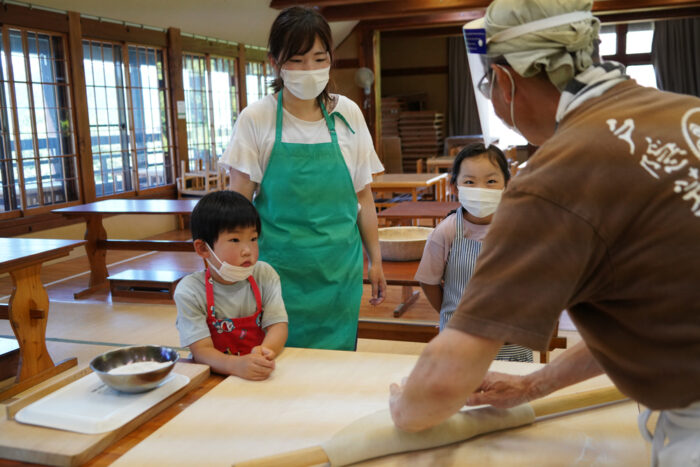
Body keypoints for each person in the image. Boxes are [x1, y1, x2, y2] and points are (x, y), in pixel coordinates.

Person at [388, 1, 700, 464]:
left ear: (507, 82)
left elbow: (445, 379)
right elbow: (654, 317)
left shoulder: (555, 179)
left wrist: (405, 409)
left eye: (489, 83)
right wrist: (533, 384)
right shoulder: (688, 113)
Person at [220, 6, 386, 351]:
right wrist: (229, 268)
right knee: (277, 362)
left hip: (339, 269)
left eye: (317, 58)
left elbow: (363, 198)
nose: (308, 69)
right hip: (277, 271)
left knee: (337, 366)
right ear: (274, 62)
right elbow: (237, 204)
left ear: (330, 59)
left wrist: (377, 260)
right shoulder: (257, 118)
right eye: (295, 60)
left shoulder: (347, 114)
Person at [414, 143, 532, 362]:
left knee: (510, 392)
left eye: (491, 181)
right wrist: (450, 313)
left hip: (512, 342)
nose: (481, 189)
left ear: (508, 184)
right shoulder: (446, 232)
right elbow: (428, 281)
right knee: (459, 395)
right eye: (469, 182)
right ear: (454, 188)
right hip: (459, 342)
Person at [174, 190, 288, 381]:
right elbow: (201, 350)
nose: (247, 250)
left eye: (253, 239)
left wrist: (265, 352)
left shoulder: (264, 275)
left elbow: (278, 326)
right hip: (212, 375)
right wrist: (235, 365)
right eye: (235, 240)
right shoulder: (190, 290)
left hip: (255, 370)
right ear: (203, 248)